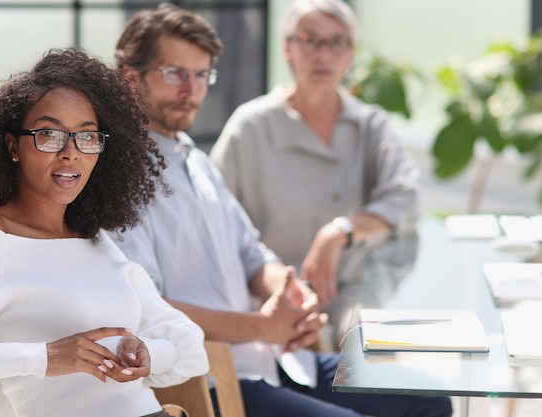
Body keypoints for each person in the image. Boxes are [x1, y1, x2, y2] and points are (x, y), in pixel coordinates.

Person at [111, 3, 451, 417]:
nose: (191, 90)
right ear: (131, 77)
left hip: (277, 361)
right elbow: (152, 308)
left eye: (201, 75)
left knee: (429, 399)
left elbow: (252, 255)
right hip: (217, 380)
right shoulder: (119, 179)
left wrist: (293, 299)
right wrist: (263, 326)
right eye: (174, 73)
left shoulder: (196, 161)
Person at [0, 48, 208, 417]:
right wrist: (42, 357)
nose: (71, 153)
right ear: (12, 146)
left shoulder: (95, 241)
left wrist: (149, 352)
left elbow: (188, 344)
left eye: (87, 137)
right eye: (49, 134)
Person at [209, 0, 420, 347]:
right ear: (287, 48)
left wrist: (339, 232)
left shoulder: (370, 125)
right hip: (272, 298)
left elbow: (406, 196)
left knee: (372, 361)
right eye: (309, 39)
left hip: (354, 294)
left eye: (336, 42)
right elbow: (214, 219)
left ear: (350, 55)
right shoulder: (251, 126)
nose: (322, 55)